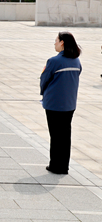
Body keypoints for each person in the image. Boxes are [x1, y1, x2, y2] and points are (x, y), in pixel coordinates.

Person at [40, 32, 82, 175]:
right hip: (69, 104)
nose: (55, 43)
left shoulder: (54, 61)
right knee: (65, 135)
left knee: (55, 135)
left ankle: (55, 165)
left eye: (56, 41)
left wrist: (43, 93)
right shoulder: (76, 61)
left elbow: (44, 79)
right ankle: (64, 166)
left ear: (62, 42)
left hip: (54, 104)